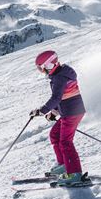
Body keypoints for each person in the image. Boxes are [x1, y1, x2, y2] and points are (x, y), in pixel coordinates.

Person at [30, 50, 89, 186]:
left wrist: (41, 111)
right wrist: (54, 112)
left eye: (41, 67)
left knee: (65, 142)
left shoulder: (59, 78)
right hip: (68, 111)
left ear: (48, 65)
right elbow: (63, 97)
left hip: (72, 112)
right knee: (55, 135)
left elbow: (56, 97)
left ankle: (74, 173)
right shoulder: (59, 74)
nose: (41, 71)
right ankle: (64, 165)